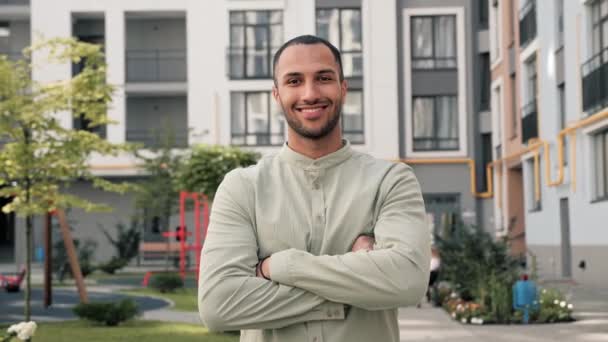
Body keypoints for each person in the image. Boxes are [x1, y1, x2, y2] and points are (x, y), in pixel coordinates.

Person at [198, 35, 430, 342]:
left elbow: (407, 280)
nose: (310, 93)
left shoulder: (391, 180)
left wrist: (278, 266)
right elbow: (219, 306)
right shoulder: (242, 188)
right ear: (276, 94)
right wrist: (360, 283)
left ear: (343, 89)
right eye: (294, 81)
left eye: (323, 78)